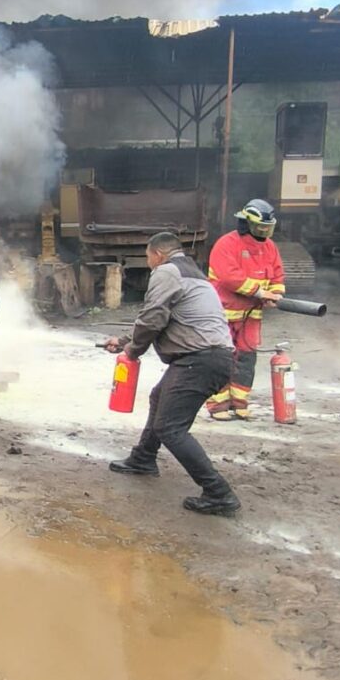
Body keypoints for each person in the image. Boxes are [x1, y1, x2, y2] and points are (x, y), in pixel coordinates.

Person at [105, 231, 240, 516]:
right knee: (159, 397)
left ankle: (219, 493)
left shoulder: (166, 272)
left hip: (199, 360)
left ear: (157, 254)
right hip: (210, 357)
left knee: (171, 428)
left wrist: (132, 350)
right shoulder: (193, 273)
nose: (149, 263)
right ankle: (143, 458)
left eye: (148, 257)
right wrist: (125, 340)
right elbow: (164, 318)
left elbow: (153, 317)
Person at [206, 199, 285, 420]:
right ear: (246, 223)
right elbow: (230, 277)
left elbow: (277, 274)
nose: (264, 232)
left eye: (267, 228)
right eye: (260, 227)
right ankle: (218, 404)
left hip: (251, 315)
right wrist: (260, 293)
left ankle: (240, 402)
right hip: (223, 313)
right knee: (221, 357)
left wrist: (276, 293)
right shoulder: (226, 244)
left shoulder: (270, 247)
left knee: (247, 358)